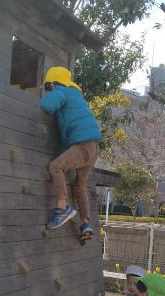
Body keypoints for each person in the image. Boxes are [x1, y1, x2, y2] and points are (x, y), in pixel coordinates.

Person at [39, 66, 102, 237]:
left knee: (56, 167)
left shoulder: (62, 90)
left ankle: (62, 208)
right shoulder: (76, 94)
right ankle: (85, 223)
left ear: (52, 83)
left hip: (82, 145)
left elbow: (46, 105)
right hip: (93, 147)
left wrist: (51, 92)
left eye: (46, 87)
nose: (46, 91)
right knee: (79, 186)